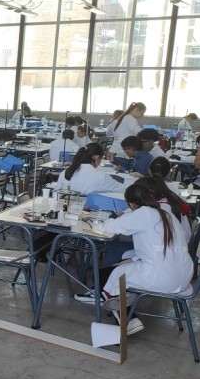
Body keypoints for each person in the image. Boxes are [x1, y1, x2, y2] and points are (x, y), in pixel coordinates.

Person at [100, 182, 193, 335]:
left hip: (163, 277)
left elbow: (111, 227)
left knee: (106, 276)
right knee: (124, 263)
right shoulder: (166, 213)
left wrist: (112, 218)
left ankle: (129, 321)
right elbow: (160, 246)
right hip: (184, 275)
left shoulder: (144, 214)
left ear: (130, 203)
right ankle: (126, 298)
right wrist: (134, 260)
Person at [54, 143, 125, 194]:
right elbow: (123, 189)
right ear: (97, 158)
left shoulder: (65, 172)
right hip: (88, 211)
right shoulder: (101, 176)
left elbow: (56, 194)